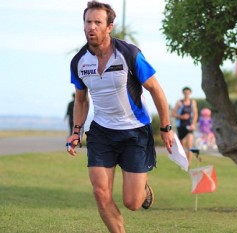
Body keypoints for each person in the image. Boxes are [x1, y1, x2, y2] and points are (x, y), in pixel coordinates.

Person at [66, 1, 174, 233]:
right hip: (102, 132)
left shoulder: (129, 54)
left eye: (97, 22)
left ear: (109, 26)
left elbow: (155, 89)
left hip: (135, 132)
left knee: (132, 203)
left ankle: (143, 190)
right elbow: (81, 100)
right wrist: (76, 132)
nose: (91, 27)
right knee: (100, 192)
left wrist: (166, 127)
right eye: (87, 22)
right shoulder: (79, 62)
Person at [171, 87, 198, 166]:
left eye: (188, 92)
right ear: (183, 93)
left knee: (190, 144)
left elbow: (195, 114)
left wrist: (193, 124)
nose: (187, 94)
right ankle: (182, 162)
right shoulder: (180, 102)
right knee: (182, 147)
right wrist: (181, 117)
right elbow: (173, 114)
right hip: (181, 126)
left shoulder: (193, 102)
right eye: (185, 92)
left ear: (190, 93)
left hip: (189, 126)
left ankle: (188, 163)